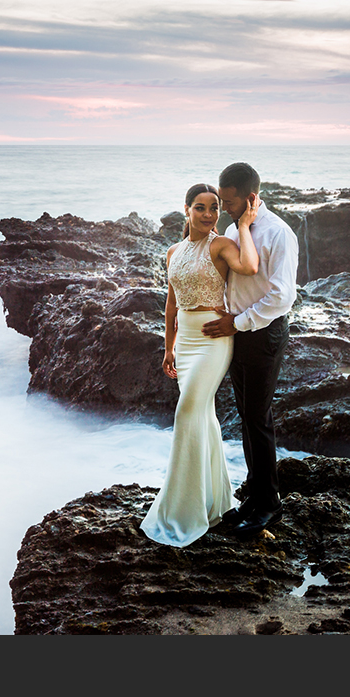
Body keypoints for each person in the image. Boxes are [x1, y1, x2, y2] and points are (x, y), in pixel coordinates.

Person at [140, 183, 259, 547]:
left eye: (214, 208)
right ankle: (215, 503)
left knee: (187, 414)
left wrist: (243, 227)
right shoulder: (173, 251)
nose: (208, 214)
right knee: (203, 417)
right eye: (201, 207)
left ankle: (181, 510)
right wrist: (168, 348)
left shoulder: (222, 245)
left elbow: (251, 267)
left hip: (213, 339)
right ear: (187, 210)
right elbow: (171, 305)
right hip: (186, 341)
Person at [202, 162, 299, 539]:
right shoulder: (232, 229)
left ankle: (269, 504)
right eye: (222, 201)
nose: (223, 208)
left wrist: (237, 323)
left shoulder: (279, 233)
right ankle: (256, 494)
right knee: (246, 415)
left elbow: (282, 297)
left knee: (257, 417)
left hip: (264, 333)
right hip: (239, 332)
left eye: (228, 201)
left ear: (251, 197)